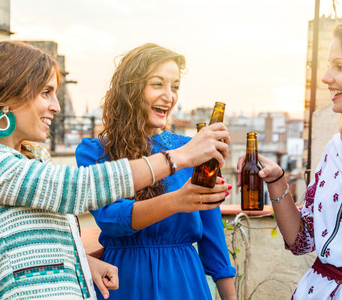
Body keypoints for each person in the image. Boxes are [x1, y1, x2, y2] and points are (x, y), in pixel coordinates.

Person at [0, 41, 231, 300]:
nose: (56, 106)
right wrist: (179, 158)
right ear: (8, 93)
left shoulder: (29, 158)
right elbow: (77, 188)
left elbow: (32, 239)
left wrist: (81, 260)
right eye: (46, 92)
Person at [237, 17, 342, 299]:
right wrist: (276, 181)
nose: (325, 77)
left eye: (340, 67)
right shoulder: (336, 148)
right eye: (328, 65)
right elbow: (302, 240)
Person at [76, 43, 237, 300]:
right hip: (125, 283)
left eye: (175, 87)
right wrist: (177, 201)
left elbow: (213, 239)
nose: (169, 96)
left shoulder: (190, 148)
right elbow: (111, 218)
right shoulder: (94, 152)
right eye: (157, 84)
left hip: (185, 282)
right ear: (130, 90)